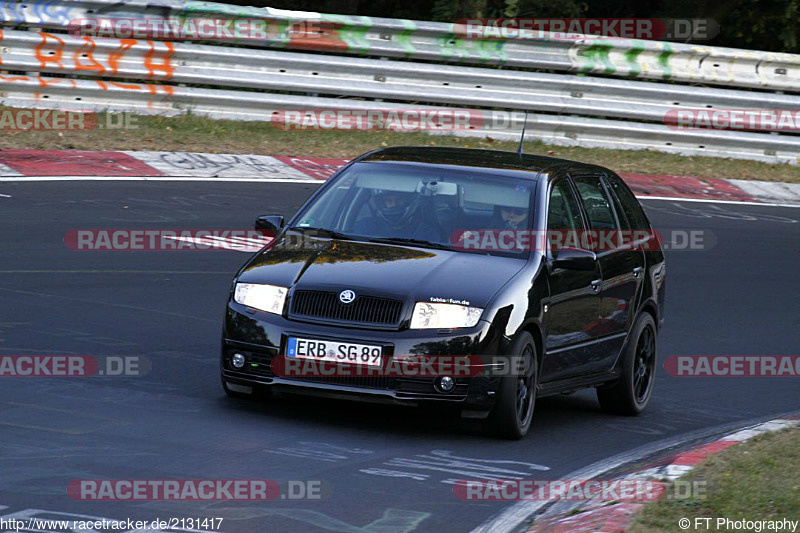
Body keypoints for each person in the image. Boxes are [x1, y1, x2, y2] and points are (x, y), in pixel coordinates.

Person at [353, 190, 439, 240]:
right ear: (382, 203)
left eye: (399, 200)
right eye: (388, 200)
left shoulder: (426, 233)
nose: (394, 205)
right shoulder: (365, 226)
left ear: (409, 201)